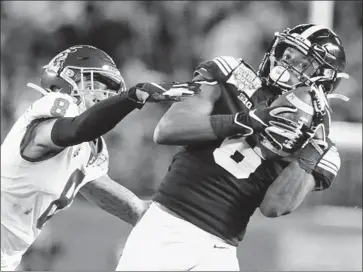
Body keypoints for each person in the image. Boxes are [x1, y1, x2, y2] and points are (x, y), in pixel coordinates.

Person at [115, 24, 349, 271]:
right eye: (287, 54)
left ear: (323, 79)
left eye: (303, 63)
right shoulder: (233, 74)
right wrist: (248, 121)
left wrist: (310, 152)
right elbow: (168, 129)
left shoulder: (321, 148)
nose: (285, 64)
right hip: (170, 224)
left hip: (221, 249)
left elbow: (274, 207)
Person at [1, 45, 200, 271]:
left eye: (110, 89)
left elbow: (131, 207)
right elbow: (76, 129)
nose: (105, 94)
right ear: (68, 79)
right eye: (98, 84)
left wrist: (188, 230)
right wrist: (133, 97)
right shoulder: (53, 107)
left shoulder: (87, 149)